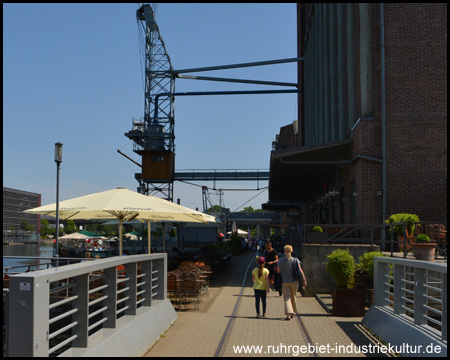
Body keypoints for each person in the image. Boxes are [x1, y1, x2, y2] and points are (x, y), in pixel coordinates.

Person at [277, 245, 307, 320]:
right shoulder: (296, 260)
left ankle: (289, 313)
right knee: (293, 296)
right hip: (294, 282)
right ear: (292, 251)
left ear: (285, 251)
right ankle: (293, 312)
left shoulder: (280, 261)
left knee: (287, 298)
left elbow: (278, 271)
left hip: (285, 282)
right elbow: (300, 270)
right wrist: (304, 279)